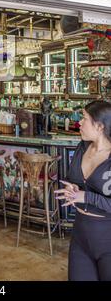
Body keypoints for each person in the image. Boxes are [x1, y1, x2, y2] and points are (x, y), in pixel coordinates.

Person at [55, 100, 111, 281]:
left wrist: (85, 196)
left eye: (84, 118)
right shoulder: (83, 147)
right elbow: (75, 181)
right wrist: (72, 187)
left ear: (100, 125)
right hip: (80, 235)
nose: (79, 122)